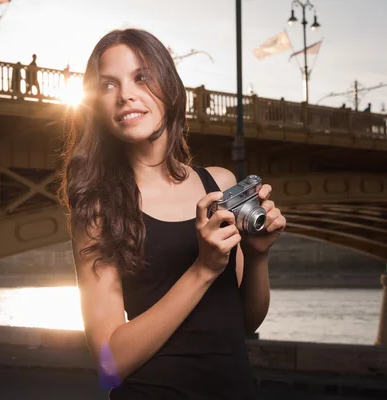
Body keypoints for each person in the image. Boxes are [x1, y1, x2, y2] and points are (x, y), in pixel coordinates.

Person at [59, 28, 286, 399]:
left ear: (170, 86)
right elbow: (109, 364)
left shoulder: (219, 183)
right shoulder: (99, 208)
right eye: (108, 85)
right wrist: (204, 269)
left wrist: (259, 256)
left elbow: (243, 322)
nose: (126, 94)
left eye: (141, 77)